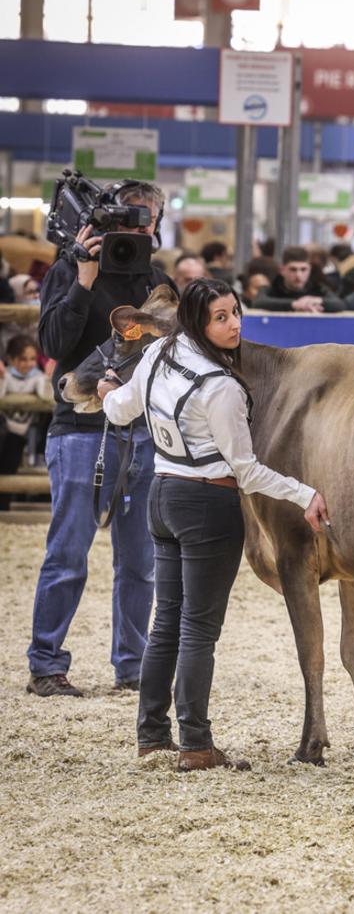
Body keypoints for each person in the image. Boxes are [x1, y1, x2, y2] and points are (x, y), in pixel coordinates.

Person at [96, 278, 329, 770]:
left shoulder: (157, 352)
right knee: (199, 629)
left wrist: (108, 390)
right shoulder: (220, 386)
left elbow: (119, 412)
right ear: (199, 324)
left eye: (236, 312)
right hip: (208, 505)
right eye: (220, 317)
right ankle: (196, 744)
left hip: (161, 496)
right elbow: (245, 469)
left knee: (167, 622)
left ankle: (153, 736)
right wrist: (304, 492)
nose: (234, 324)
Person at [26, 180, 177, 698]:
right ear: (107, 219)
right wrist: (83, 280)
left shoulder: (158, 282)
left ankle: (132, 667)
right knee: (68, 552)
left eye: (147, 218)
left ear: (157, 223)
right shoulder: (70, 268)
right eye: (130, 217)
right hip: (81, 430)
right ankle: (47, 664)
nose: (138, 227)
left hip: (142, 432)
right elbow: (52, 344)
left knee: (140, 561)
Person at [0, 335, 52, 510]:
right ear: (11, 359)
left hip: (20, 434)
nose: (29, 363)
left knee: (9, 469)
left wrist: (46, 377)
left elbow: (45, 395)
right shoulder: (6, 375)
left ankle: (4, 507)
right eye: (23, 359)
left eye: (32, 359)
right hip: (4, 430)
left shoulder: (36, 376)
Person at [253, 247, 344, 313]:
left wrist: (315, 300)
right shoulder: (272, 288)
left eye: (303, 269)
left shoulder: (318, 288)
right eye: (293, 269)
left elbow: (339, 304)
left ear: (310, 269)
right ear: (282, 270)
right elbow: (259, 302)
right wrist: (294, 304)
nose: (298, 275)